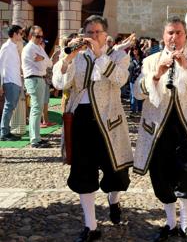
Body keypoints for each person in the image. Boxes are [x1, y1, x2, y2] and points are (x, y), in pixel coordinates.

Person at [52, 15, 133, 242]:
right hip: (82, 120)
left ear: (106, 35)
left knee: (116, 173)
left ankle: (113, 200)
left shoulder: (118, 56)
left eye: (97, 32)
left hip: (110, 122)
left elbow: (120, 79)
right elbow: (59, 83)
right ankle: (91, 226)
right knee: (83, 172)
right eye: (89, 32)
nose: (93, 36)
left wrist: (99, 54)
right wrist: (67, 59)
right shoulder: (75, 56)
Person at [133, 16, 187, 242]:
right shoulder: (150, 60)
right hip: (158, 129)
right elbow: (138, 92)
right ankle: (170, 224)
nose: (174, 37)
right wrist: (157, 74)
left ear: (186, 36)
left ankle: (186, 224)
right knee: (162, 176)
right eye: (170, 33)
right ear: (163, 37)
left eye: (178, 32)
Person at [22, 26, 52, 148]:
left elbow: (48, 63)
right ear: (31, 36)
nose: (41, 39)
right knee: (36, 109)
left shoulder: (38, 47)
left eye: (42, 36)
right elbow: (41, 66)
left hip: (39, 79)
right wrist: (43, 60)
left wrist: (43, 58)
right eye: (38, 36)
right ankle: (35, 140)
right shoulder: (29, 48)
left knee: (38, 110)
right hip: (33, 79)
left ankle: (37, 138)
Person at [0, 25, 24, 141]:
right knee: (9, 107)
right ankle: (4, 133)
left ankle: (6, 131)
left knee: (11, 107)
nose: (21, 35)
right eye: (20, 33)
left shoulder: (14, 46)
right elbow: (1, 65)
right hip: (9, 81)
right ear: (14, 34)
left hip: (16, 80)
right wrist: (0, 84)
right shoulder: (6, 46)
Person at [128, 45, 143, 114]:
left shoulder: (142, 58)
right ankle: (133, 110)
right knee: (133, 95)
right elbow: (128, 67)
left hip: (140, 79)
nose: (135, 51)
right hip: (132, 79)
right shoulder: (130, 58)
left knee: (140, 95)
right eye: (133, 49)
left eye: (136, 49)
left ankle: (140, 110)